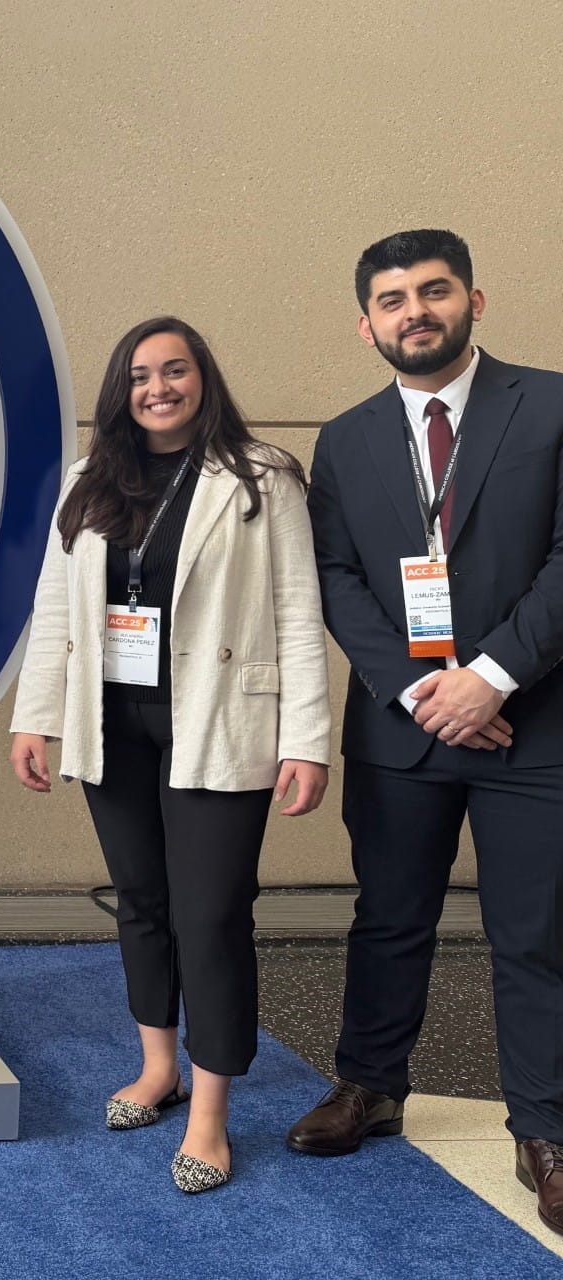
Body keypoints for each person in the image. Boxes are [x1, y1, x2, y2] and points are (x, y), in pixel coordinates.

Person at [10, 316, 331, 1193]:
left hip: (219, 720)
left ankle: (210, 1114)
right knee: (141, 902)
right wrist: (32, 718)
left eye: (175, 371)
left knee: (212, 912)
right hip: (111, 721)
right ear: (122, 391)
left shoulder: (261, 478)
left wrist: (306, 739)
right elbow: (55, 611)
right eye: (141, 375)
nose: (158, 388)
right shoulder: (90, 481)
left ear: (202, 378)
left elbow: (299, 614)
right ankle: (158, 1066)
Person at [294, 229, 563, 1234]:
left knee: (534, 930)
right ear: (366, 324)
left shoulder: (553, 405)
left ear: (475, 300)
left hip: (533, 722)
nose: (416, 310)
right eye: (394, 298)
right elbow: (337, 578)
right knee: (390, 912)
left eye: (434, 290)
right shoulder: (346, 437)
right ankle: (370, 1083)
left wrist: (489, 677)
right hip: (404, 729)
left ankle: (545, 1125)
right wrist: (420, 690)